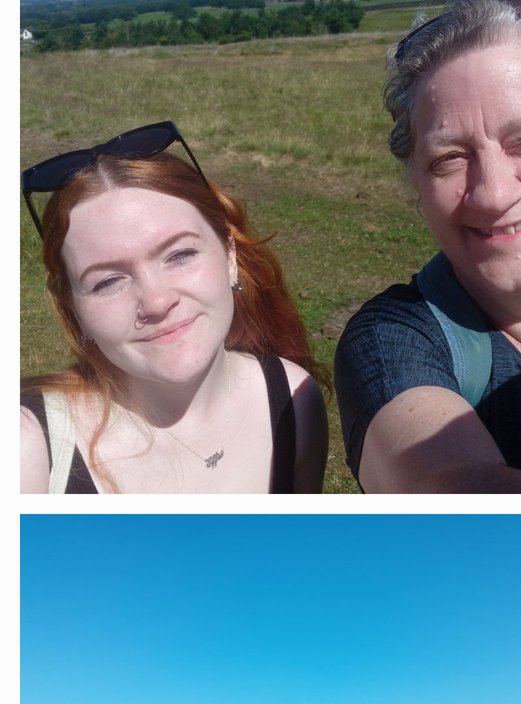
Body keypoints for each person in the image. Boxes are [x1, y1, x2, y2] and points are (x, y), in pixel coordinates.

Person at [334, 0, 521, 493]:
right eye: (448, 158)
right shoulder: (395, 341)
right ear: (416, 183)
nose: (493, 193)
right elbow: (442, 485)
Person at [20, 121, 328, 493]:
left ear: (230, 255)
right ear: (74, 310)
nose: (157, 301)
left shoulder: (294, 402)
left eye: (180, 254)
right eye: (107, 281)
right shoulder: (28, 451)